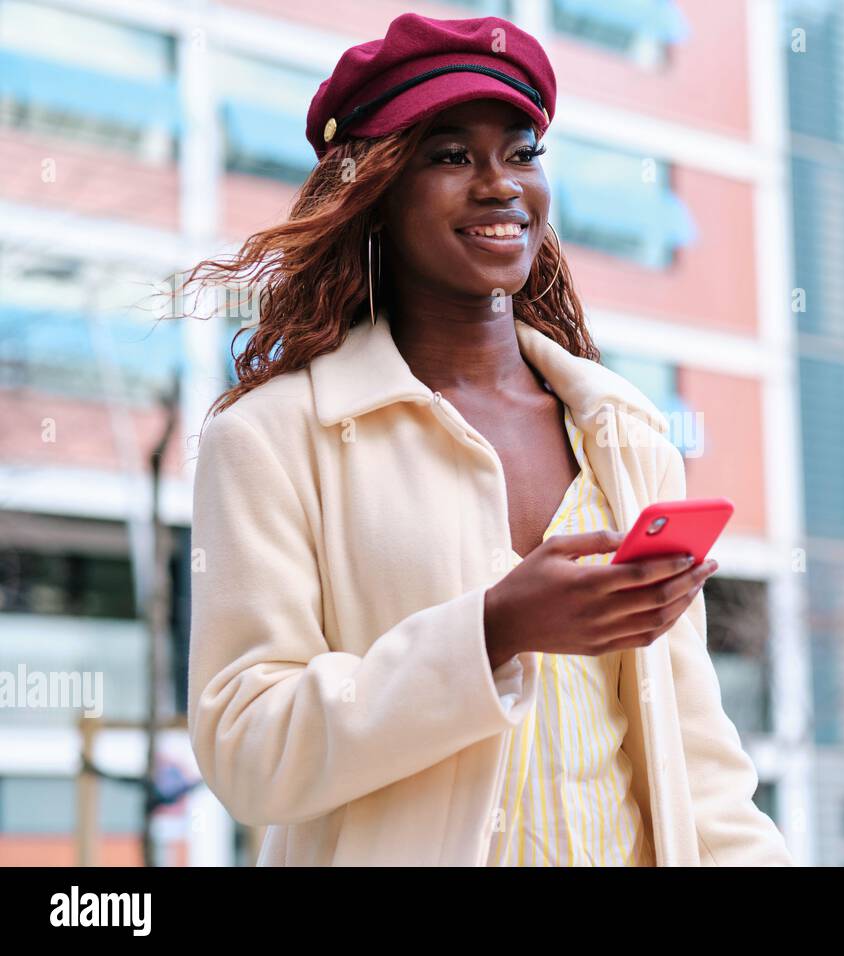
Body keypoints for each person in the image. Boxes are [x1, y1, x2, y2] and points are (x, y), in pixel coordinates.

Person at [184, 12, 794, 867]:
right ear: (375, 191)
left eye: (521, 151)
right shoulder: (273, 439)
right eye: (449, 155)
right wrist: (490, 632)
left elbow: (698, 768)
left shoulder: (624, 434)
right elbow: (249, 751)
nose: (500, 184)